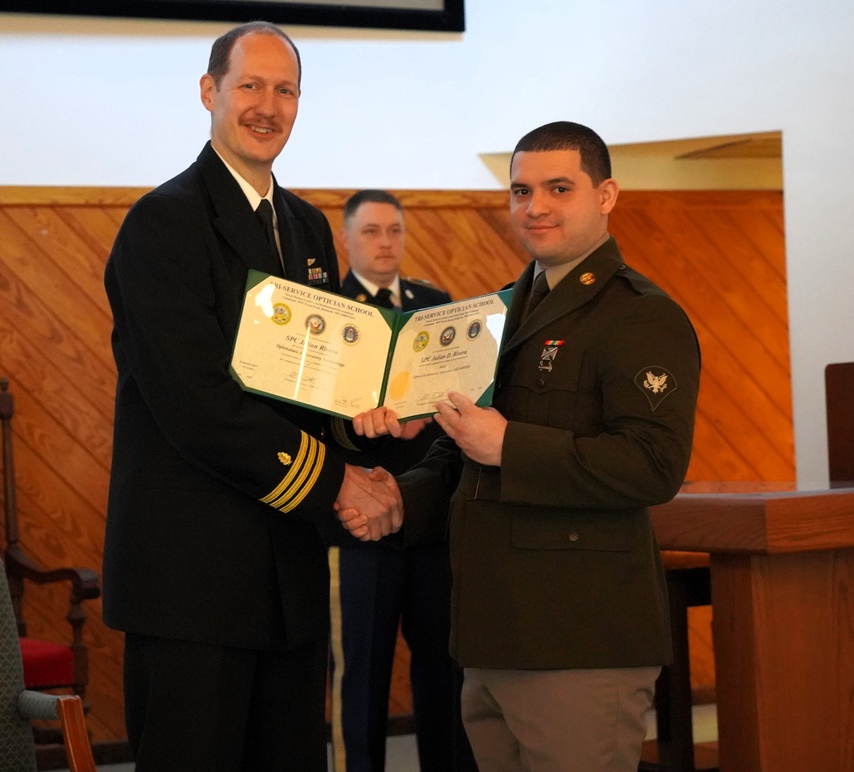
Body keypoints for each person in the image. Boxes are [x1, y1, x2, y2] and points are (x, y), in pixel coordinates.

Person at [346, 121, 701, 771]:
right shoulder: (498, 314)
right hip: (490, 634)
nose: (534, 206)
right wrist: (401, 497)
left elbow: (653, 466)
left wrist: (512, 444)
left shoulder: (642, 315)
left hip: (579, 642)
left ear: (606, 195)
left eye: (558, 188)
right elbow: (460, 452)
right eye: (520, 190)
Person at [102, 22, 402, 771]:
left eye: (286, 89)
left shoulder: (302, 225)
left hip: (287, 582)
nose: (268, 106)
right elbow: (199, 406)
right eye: (250, 86)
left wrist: (371, 419)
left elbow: (319, 383)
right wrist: (339, 484)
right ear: (209, 92)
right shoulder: (162, 224)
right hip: (193, 588)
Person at [326, 190, 477, 772]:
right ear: (346, 238)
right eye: (370, 232)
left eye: (394, 230)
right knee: (359, 672)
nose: (385, 242)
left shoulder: (435, 306)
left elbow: (459, 405)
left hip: (430, 520)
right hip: (356, 521)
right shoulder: (329, 309)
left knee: (445, 668)